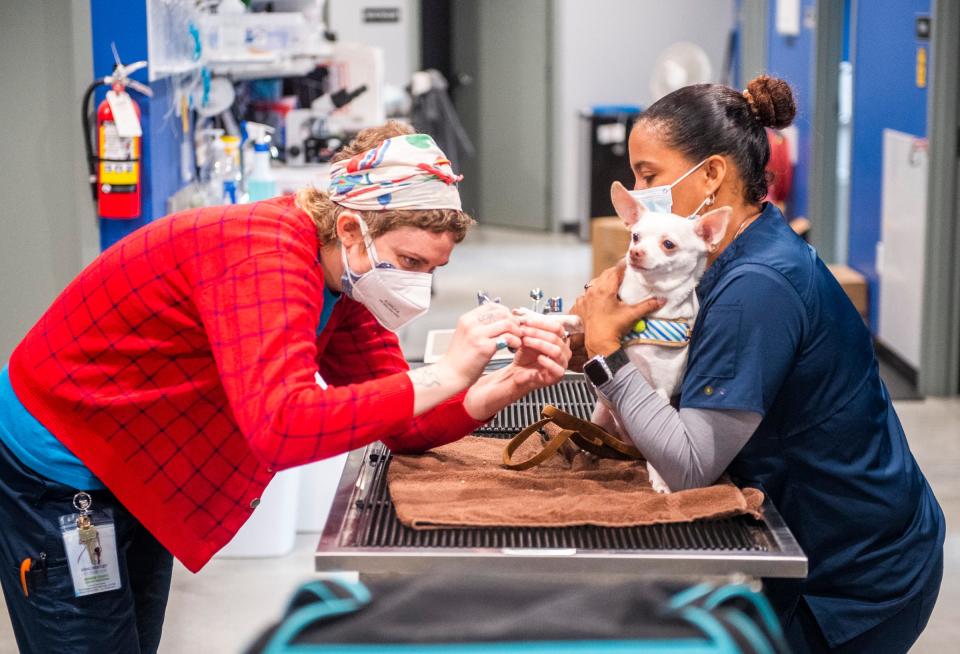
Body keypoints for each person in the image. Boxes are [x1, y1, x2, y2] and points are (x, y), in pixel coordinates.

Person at [0, 121, 571, 653]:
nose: (417, 285)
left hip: (136, 452)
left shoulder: (353, 277)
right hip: (59, 462)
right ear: (351, 227)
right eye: (409, 261)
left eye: (432, 270)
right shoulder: (265, 255)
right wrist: (445, 370)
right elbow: (283, 425)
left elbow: (403, 421)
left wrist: (509, 380)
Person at [570, 76, 944, 653]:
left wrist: (604, 356)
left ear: (712, 175)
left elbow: (691, 463)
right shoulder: (735, 249)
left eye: (649, 175)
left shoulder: (758, 286)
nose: (639, 193)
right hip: (834, 537)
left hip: (850, 579)